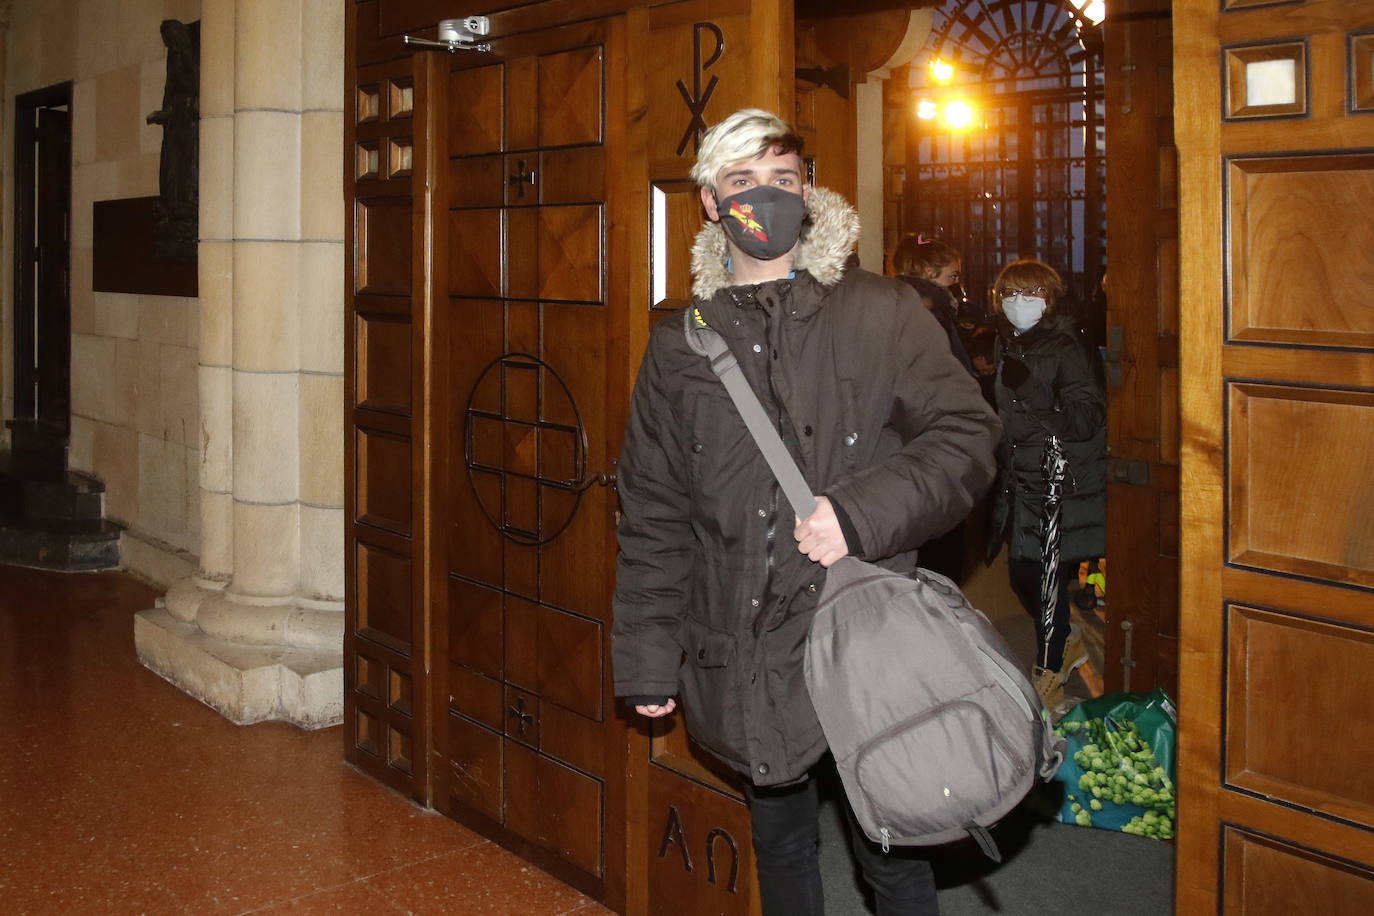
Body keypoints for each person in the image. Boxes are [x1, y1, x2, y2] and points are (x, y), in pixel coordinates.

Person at [611, 108, 1001, 916]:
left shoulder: (882, 311)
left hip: (862, 636)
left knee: (893, 849)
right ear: (712, 203)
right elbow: (654, 510)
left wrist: (858, 514)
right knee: (782, 846)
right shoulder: (681, 343)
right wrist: (648, 655)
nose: (766, 197)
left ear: (810, 194)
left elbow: (968, 437)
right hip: (744, 638)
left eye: (783, 180)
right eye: (742, 181)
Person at [985, 258, 1106, 712]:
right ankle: (1064, 643)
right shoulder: (1006, 344)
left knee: (1047, 582)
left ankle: (1049, 674)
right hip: (1020, 482)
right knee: (1023, 578)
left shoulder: (1067, 347)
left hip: (1057, 483)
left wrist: (1035, 391)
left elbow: (1087, 417)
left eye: (1032, 293)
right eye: (1011, 294)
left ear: (1051, 299)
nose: (1020, 303)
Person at [890, 235, 972, 373]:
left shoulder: (893, 303)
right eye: (952, 276)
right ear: (930, 273)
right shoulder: (934, 313)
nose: (957, 283)